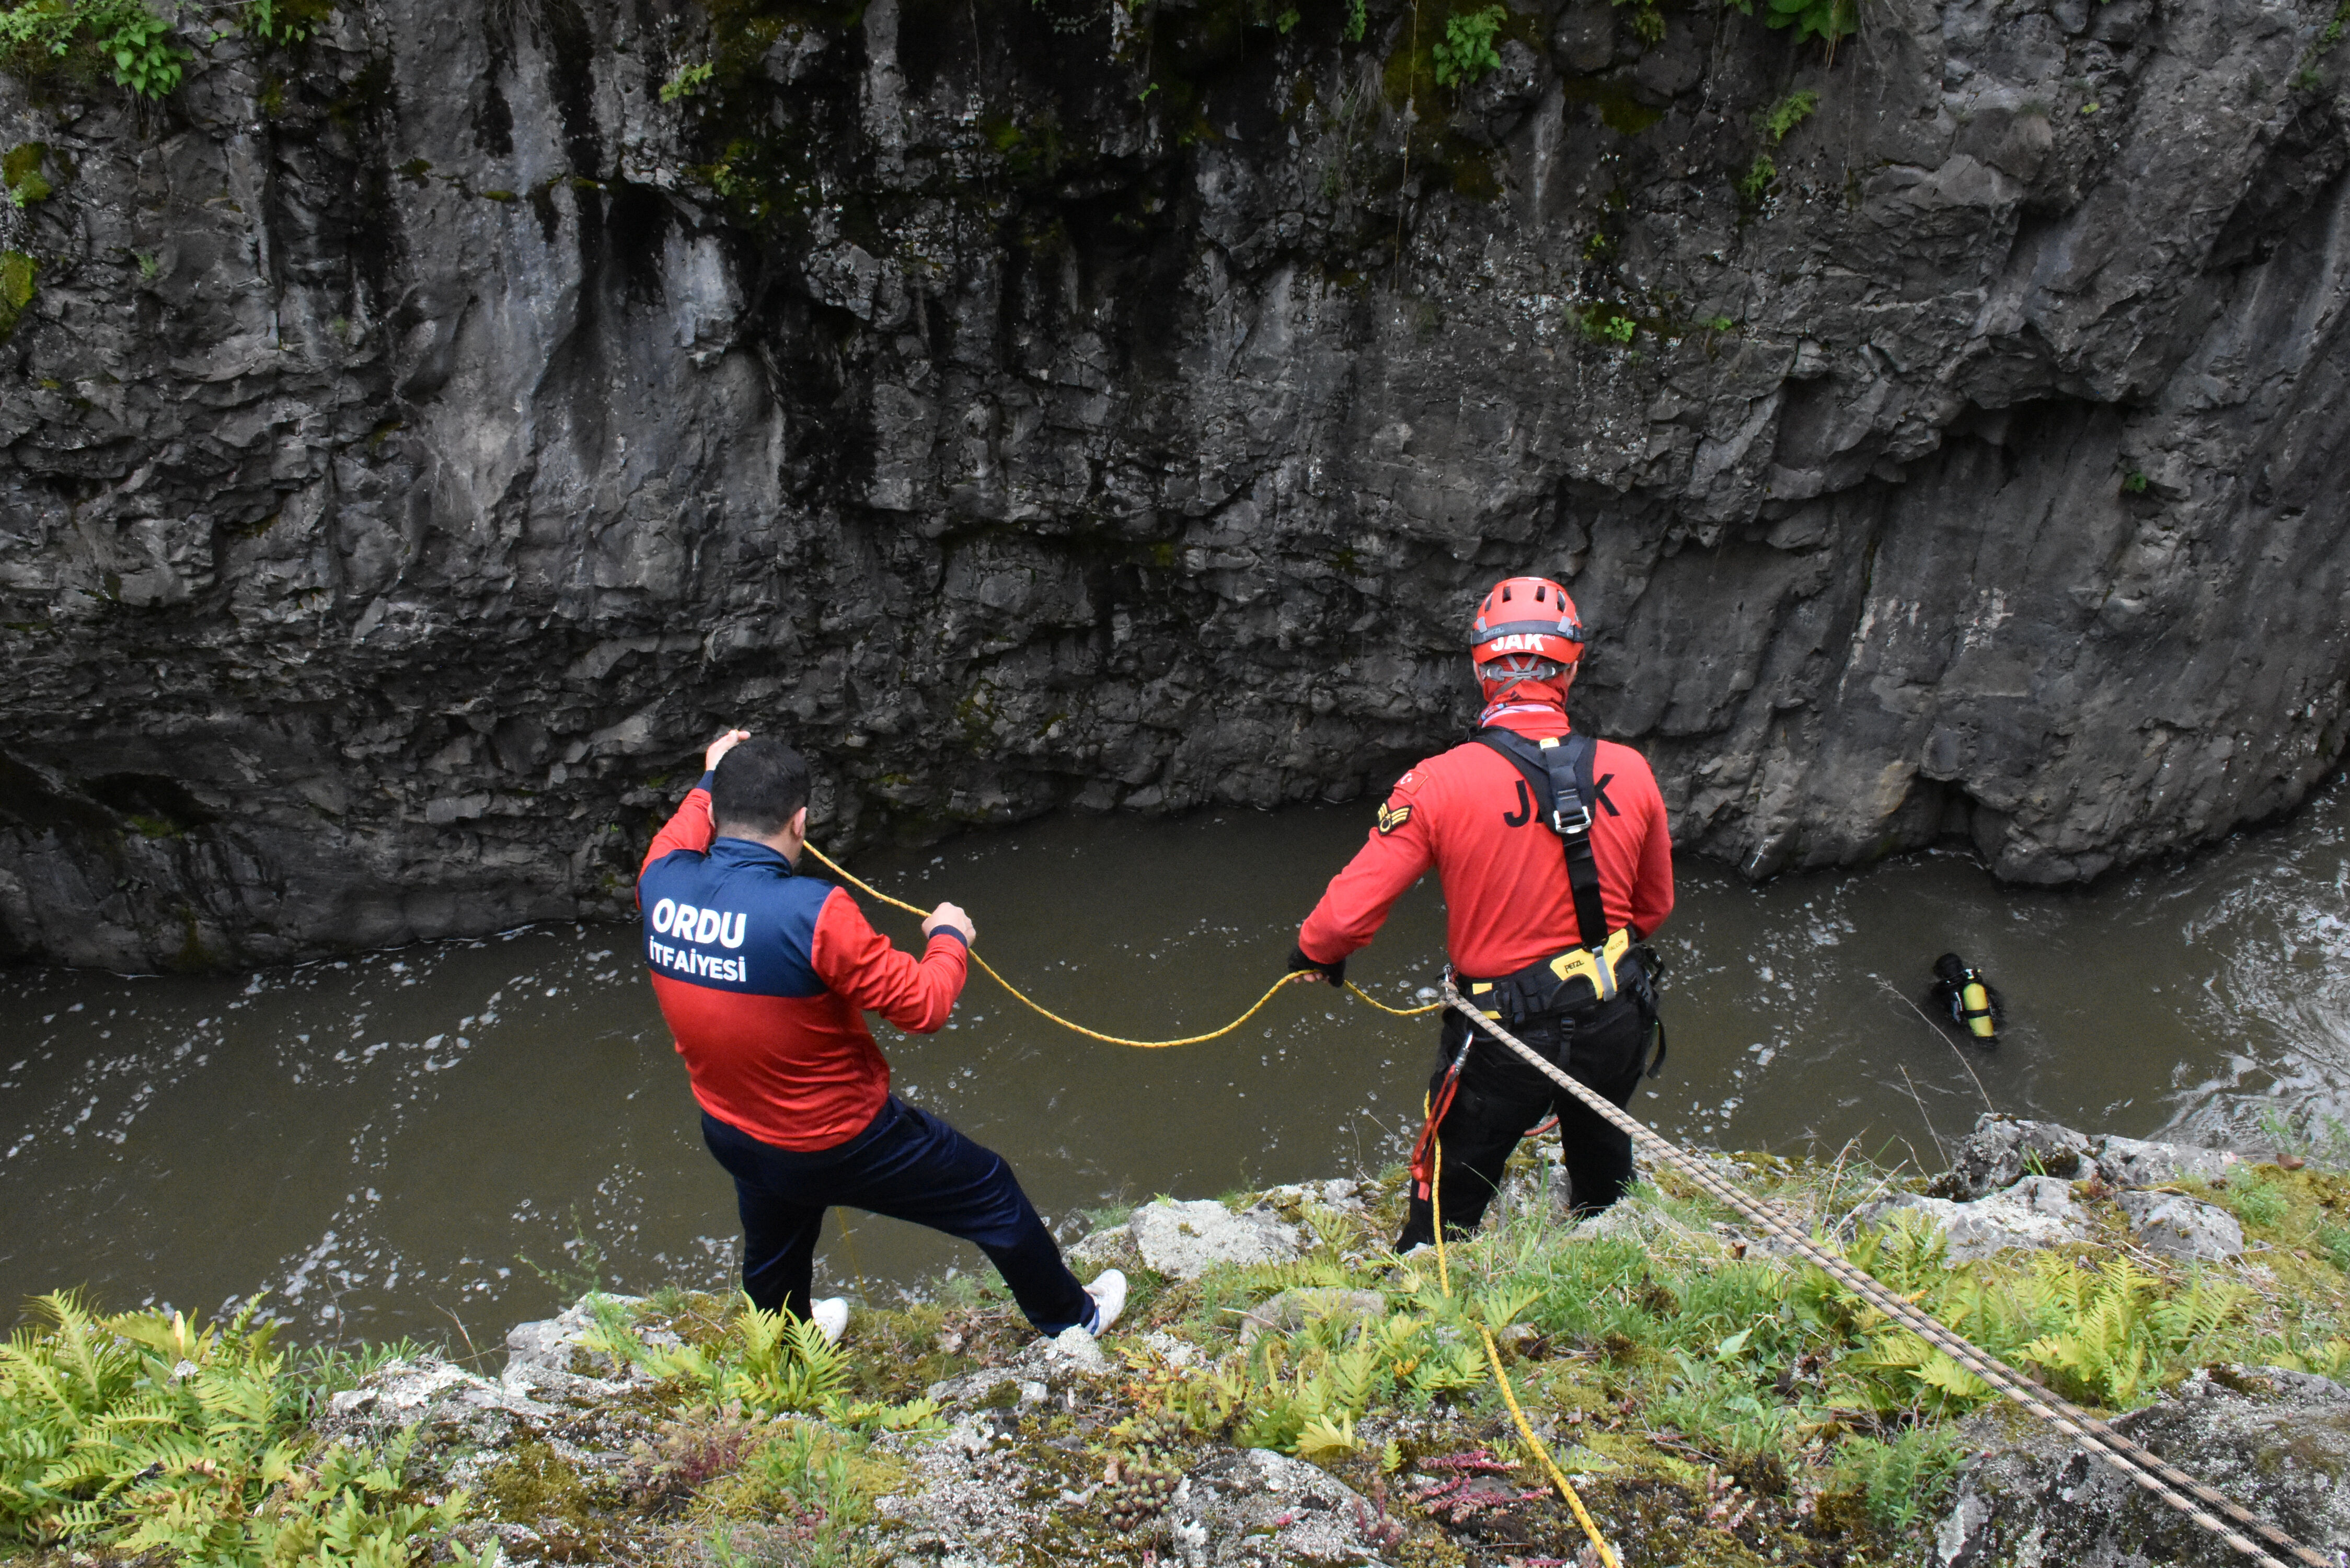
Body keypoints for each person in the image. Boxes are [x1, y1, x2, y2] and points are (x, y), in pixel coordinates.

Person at [638, 728, 1124, 1342]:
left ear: (715, 810)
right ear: (800, 822)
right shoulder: (814, 914)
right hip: (839, 1139)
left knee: (775, 1249)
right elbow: (922, 1006)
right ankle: (1072, 1319)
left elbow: (689, 822)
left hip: (734, 1131)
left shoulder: (660, 879)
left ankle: (788, 1355)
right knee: (989, 1191)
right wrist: (949, 937)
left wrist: (711, 775)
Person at [1286, 576, 1675, 1250]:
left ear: (1480, 669)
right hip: (1616, 1013)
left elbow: (1344, 917)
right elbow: (1651, 907)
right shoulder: (1630, 771)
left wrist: (1314, 953)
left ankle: (1426, 1281)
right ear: (1571, 669)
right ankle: (1605, 1249)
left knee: (1451, 1184)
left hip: (1504, 1039)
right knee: (1601, 1143)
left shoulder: (1437, 783)